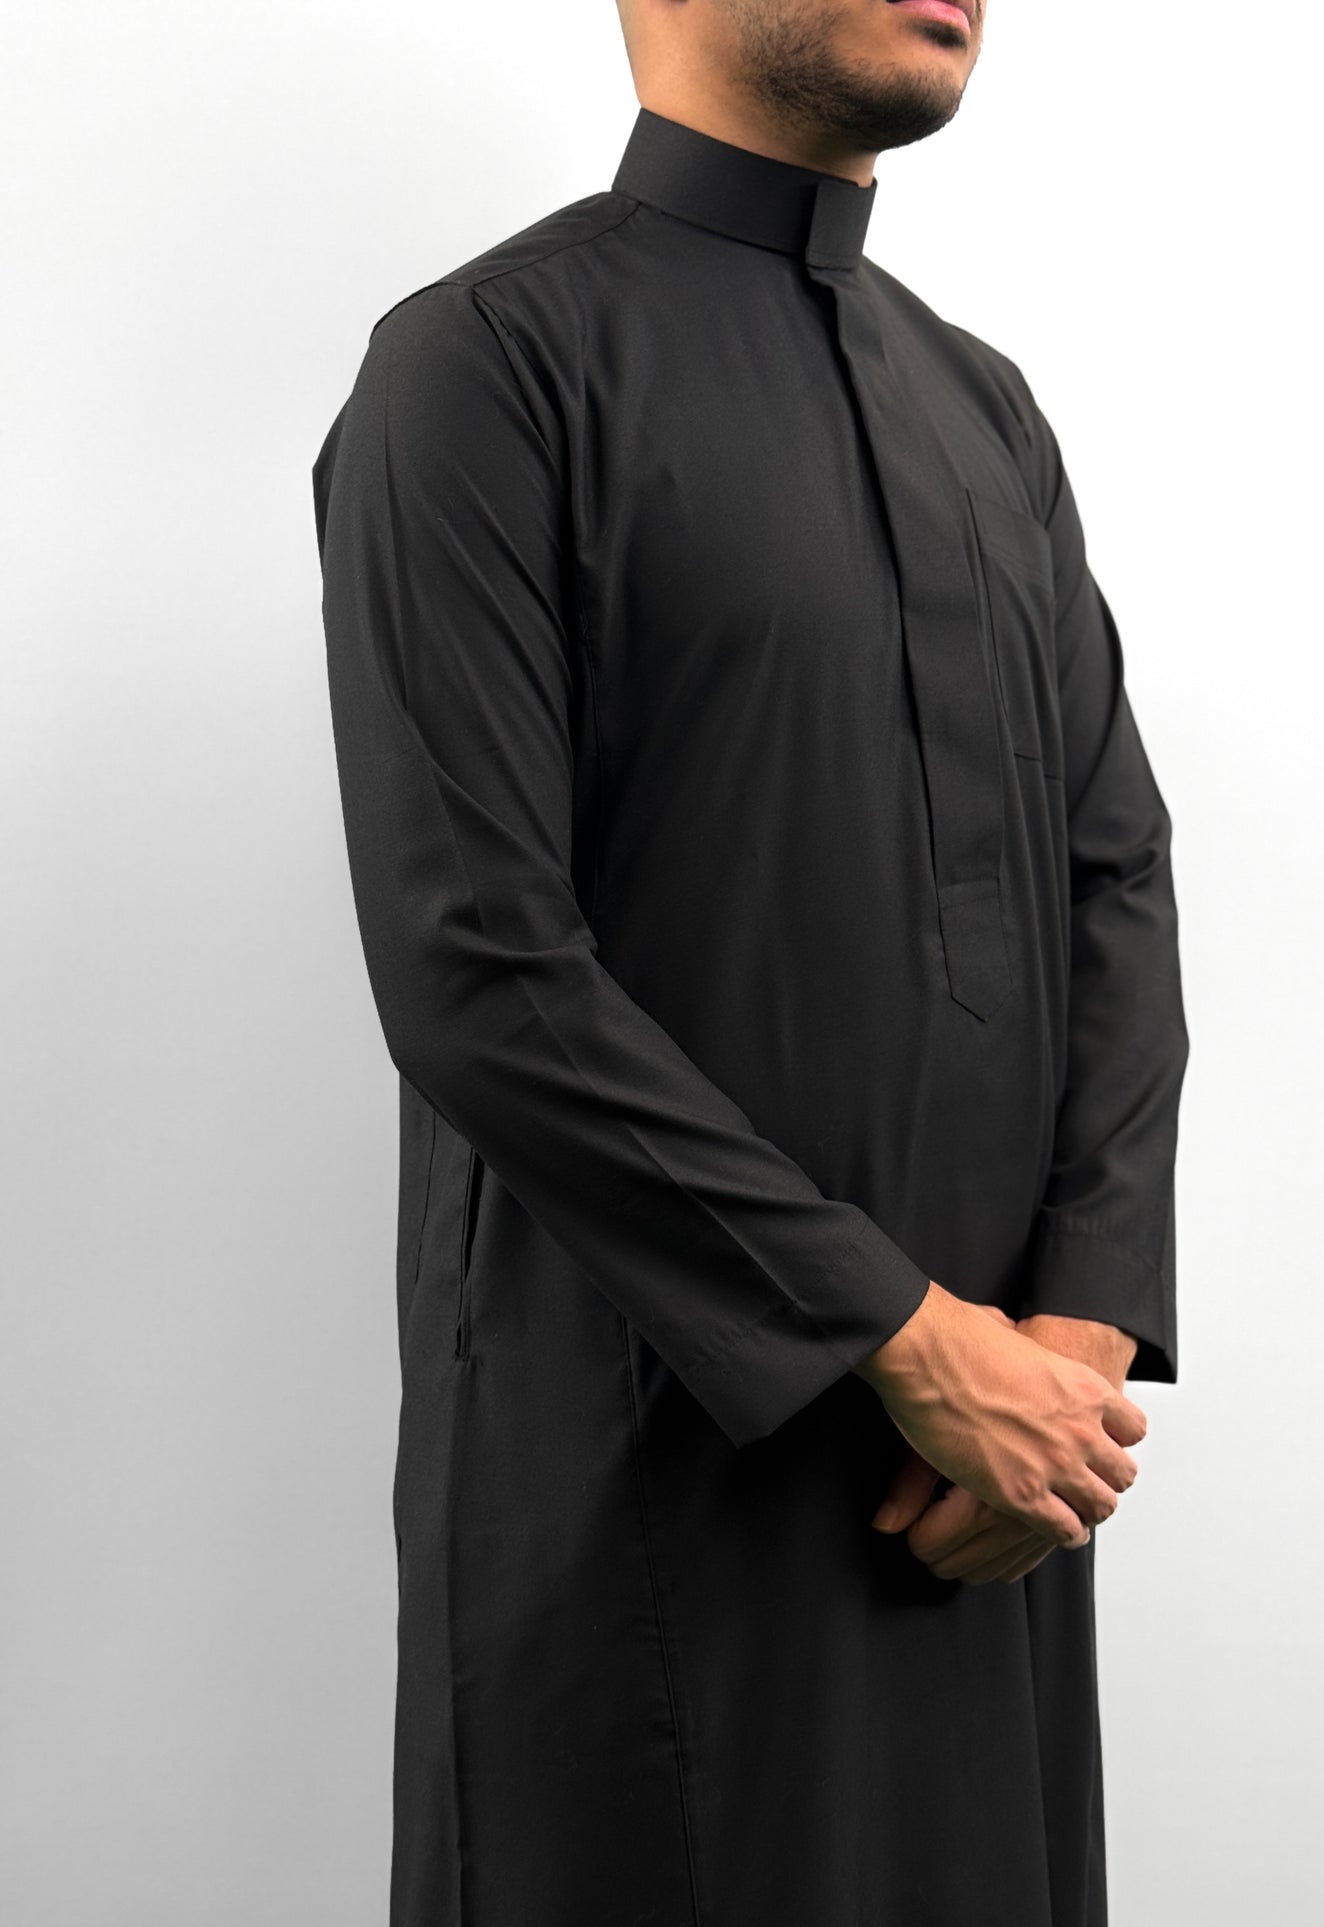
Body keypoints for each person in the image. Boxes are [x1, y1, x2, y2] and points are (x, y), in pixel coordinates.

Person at [311, 0, 1189, 1920]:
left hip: (985, 1500)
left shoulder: (985, 409)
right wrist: (906, 1340)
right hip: (647, 1476)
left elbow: (1111, 872)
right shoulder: (486, 365)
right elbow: (476, 961)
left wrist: (1074, 1336)